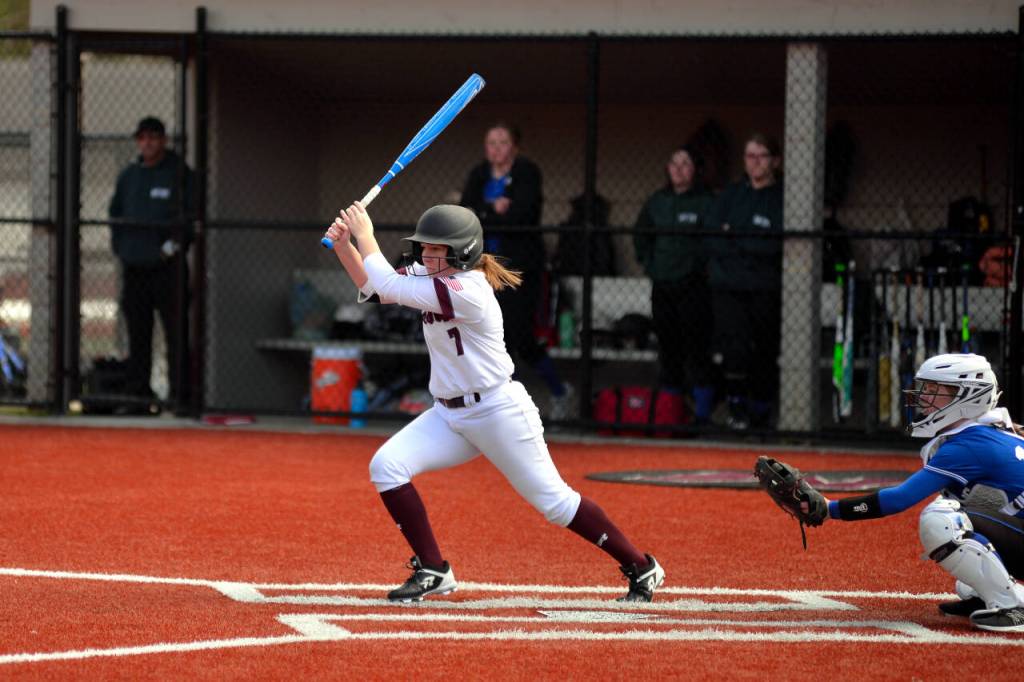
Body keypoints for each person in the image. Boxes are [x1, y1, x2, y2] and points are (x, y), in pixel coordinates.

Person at [323, 201, 664, 603]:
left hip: (497, 410)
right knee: (387, 466)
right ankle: (434, 568)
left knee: (554, 503)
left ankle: (641, 566)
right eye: (425, 248)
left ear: (462, 252)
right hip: (449, 415)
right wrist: (347, 246)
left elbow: (392, 285)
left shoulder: (468, 288)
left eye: (437, 249)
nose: (427, 255)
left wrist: (366, 235)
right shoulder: (430, 275)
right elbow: (377, 287)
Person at [820, 353, 1024, 633]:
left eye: (933, 390)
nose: (923, 397)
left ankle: (1013, 606)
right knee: (967, 574)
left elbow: (898, 499)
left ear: (968, 396)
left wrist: (829, 509)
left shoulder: (968, 444)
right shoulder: (989, 432)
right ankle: (989, 596)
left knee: (941, 520)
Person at [460, 123, 573, 420]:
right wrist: (491, 210)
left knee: (517, 334)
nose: (496, 148)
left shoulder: (527, 172)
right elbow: (466, 212)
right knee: (481, 332)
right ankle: (495, 407)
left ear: (515, 147)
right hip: (482, 266)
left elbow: (521, 214)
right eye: (491, 142)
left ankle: (558, 390)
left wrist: (488, 214)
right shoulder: (479, 174)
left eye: (503, 142)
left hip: (517, 269)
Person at [108, 116, 193, 403]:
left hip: (168, 271)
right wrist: (123, 249)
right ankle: (138, 397)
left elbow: (190, 219)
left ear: (163, 141)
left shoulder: (179, 173)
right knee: (138, 335)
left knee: (176, 334)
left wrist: (168, 250)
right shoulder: (129, 176)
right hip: (135, 269)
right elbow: (115, 215)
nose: (147, 143)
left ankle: (180, 396)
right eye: (142, 138)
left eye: (153, 138)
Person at [705, 132, 784, 430]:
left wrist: (735, 237)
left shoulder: (781, 198)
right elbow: (714, 238)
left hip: (764, 287)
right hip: (729, 287)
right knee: (733, 349)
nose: (755, 162)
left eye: (761, 156)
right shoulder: (732, 194)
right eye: (749, 156)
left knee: (763, 350)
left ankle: (761, 412)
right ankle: (735, 408)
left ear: (774, 161)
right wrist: (747, 242)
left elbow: (773, 245)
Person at [633, 144, 715, 423]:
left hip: (693, 286)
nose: (679, 169)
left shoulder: (705, 201)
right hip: (663, 285)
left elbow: (713, 240)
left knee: (696, 347)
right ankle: (671, 411)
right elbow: (640, 235)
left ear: (695, 171)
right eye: (674, 164)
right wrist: (650, 264)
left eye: (686, 164)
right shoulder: (657, 201)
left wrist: (699, 267)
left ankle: (702, 413)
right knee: (668, 346)